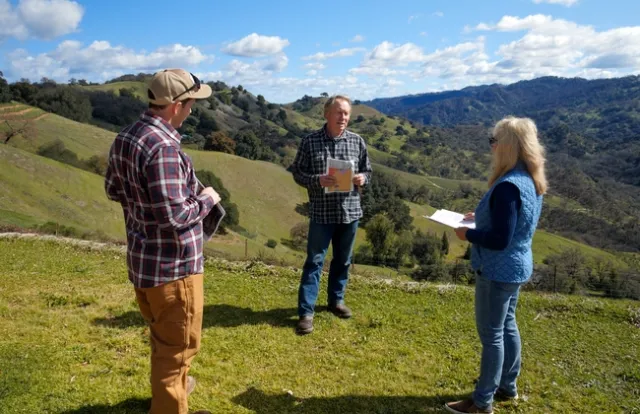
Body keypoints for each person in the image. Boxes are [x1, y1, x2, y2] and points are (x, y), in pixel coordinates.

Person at [105, 69, 219, 414]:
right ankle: (170, 404)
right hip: (174, 270)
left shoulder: (127, 137)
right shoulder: (165, 148)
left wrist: (142, 205)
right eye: (190, 105)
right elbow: (175, 217)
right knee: (178, 349)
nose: (191, 111)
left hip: (144, 263)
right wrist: (208, 199)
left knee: (164, 340)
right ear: (175, 106)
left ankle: (176, 390)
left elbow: (113, 189)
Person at [445, 116, 547, 414]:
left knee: (492, 335)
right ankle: (507, 386)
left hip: (498, 268)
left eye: (494, 141)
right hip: (517, 266)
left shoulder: (507, 186)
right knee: (508, 326)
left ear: (508, 147)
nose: (492, 147)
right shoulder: (530, 179)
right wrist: (480, 218)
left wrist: (468, 234)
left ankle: (482, 402)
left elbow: (500, 239)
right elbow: (512, 224)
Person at [290, 95, 372, 335]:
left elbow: (369, 170)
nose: (343, 117)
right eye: (338, 112)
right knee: (314, 262)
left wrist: (363, 178)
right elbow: (297, 172)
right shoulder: (310, 141)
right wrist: (317, 180)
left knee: (343, 261)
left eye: (346, 113)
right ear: (326, 114)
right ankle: (306, 312)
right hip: (322, 213)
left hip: (350, 212)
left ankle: (336, 301)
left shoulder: (357, 142)